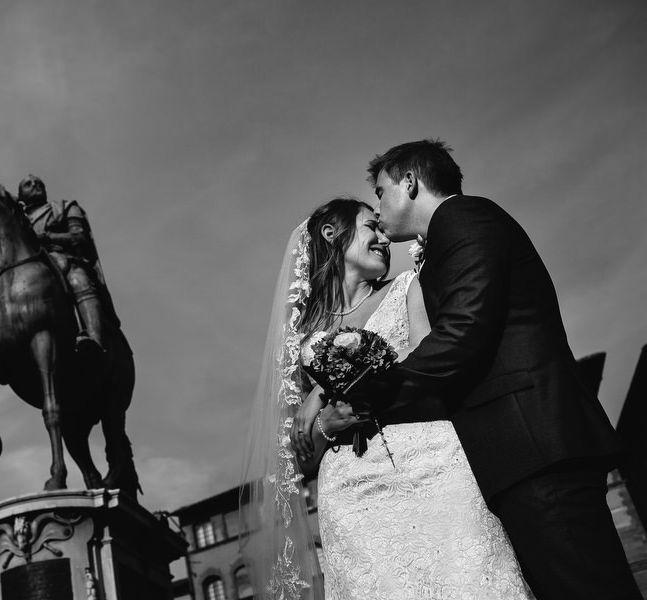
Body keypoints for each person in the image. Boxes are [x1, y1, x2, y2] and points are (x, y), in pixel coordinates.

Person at [356, 139, 640, 600]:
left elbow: (464, 330)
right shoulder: (450, 235)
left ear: (409, 183)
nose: (379, 207)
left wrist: (375, 393)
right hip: (519, 452)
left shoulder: (465, 218)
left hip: (535, 443)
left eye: (381, 192)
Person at [242, 197, 533, 600]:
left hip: (430, 466)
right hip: (349, 493)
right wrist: (325, 424)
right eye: (371, 228)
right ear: (332, 234)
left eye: (383, 230)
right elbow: (300, 457)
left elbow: (433, 376)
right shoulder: (302, 339)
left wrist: (330, 389)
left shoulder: (407, 287)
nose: (384, 239)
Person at [16, 174, 120, 357]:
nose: (35, 185)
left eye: (39, 183)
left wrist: (46, 238)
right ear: (20, 194)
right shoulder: (16, 219)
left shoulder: (65, 207)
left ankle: (95, 339)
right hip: (27, 267)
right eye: (28, 184)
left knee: (79, 280)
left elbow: (79, 238)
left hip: (63, 260)